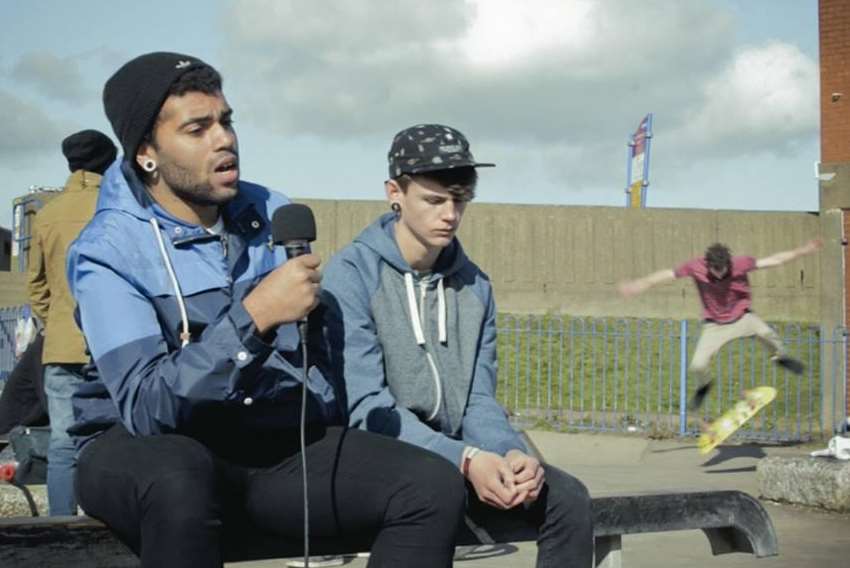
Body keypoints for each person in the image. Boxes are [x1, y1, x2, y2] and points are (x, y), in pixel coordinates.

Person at [65, 52, 465, 568]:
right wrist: (252, 320)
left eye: (226, 121)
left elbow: (315, 363)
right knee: (178, 477)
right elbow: (145, 406)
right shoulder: (107, 250)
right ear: (147, 151)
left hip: (261, 444)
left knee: (428, 486)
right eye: (197, 128)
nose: (223, 139)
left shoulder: (272, 212)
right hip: (142, 449)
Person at [320, 124, 594, 568]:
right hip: (371, 454)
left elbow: (477, 399)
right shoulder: (351, 274)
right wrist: (465, 460)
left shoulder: (475, 285)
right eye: (434, 200)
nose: (449, 213)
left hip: (452, 452)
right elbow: (366, 406)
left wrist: (511, 453)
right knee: (435, 489)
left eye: (460, 200)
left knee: (566, 497)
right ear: (395, 192)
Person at [619, 239, 822, 413]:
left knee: (768, 334)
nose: (718, 274)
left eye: (722, 269)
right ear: (707, 264)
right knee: (697, 365)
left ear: (728, 264)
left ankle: (781, 358)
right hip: (714, 325)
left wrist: (803, 250)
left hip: (743, 318)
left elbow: (774, 260)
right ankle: (704, 385)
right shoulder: (695, 266)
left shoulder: (740, 264)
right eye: (713, 270)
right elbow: (668, 274)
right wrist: (640, 284)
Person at [26, 129, 116, 515]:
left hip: (62, 346)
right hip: (115, 343)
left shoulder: (47, 214)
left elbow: (36, 287)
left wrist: (59, 323)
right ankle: (110, 525)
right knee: (116, 439)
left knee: (63, 443)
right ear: (109, 161)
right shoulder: (119, 207)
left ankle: (61, 526)